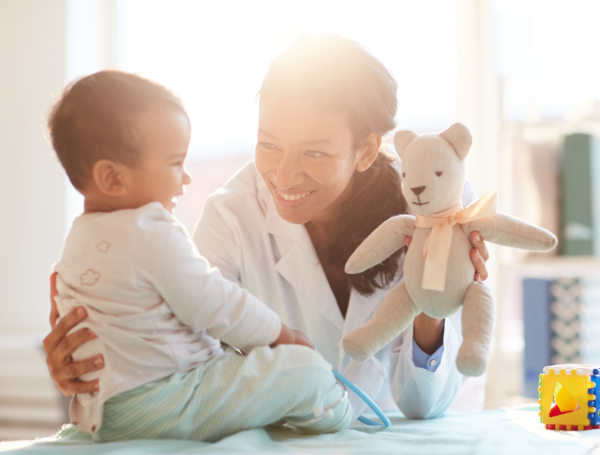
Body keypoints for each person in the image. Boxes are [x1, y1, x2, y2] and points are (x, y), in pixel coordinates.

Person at [44, 34, 489, 420]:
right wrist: (105, 351)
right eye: (268, 145)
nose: (283, 175)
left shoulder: (434, 202)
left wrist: (431, 295)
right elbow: (189, 358)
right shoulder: (230, 218)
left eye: (314, 153)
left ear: (367, 149)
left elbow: (424, 405)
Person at [45, 69, 376, 442]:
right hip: (165, 400)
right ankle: (334, 412)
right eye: (174, 164)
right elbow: (214, 302)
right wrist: (280, 334)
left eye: (314, 150)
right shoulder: (150, 230)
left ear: (366, 150)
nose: (185, 178)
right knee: (306, 371)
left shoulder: (77, 242)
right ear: (112, 178)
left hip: (105, 415)